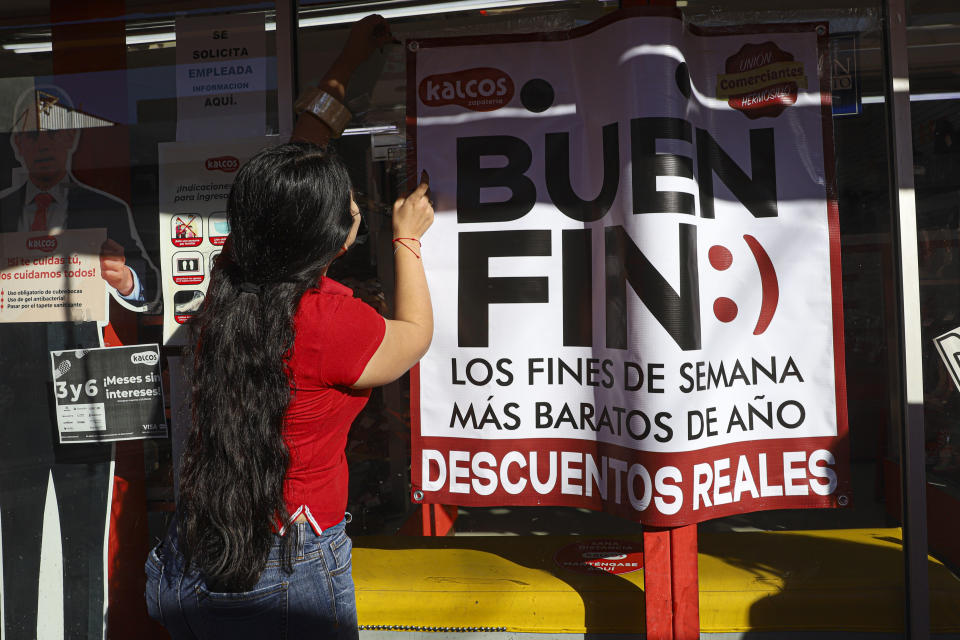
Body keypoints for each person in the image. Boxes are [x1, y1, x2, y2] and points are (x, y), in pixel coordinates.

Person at [145, 15, 434, 639]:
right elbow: (414, 334)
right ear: (334, 237)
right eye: (354, 207)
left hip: (194, 547)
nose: (360, 209)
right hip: (283, 566)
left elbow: (298, 154)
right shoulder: (333, 324)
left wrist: (349, 61)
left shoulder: (234, 277)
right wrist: (407, 238)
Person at [0, 84, 159, 639]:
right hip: (9, 400)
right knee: (15, 544)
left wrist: (128, 279)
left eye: (55, 130)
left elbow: (153, 292)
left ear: (72, 139)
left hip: (86, 396)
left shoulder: (106, 209)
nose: (43, 141)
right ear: (17, 143)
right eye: (31, 131)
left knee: (86, 542)